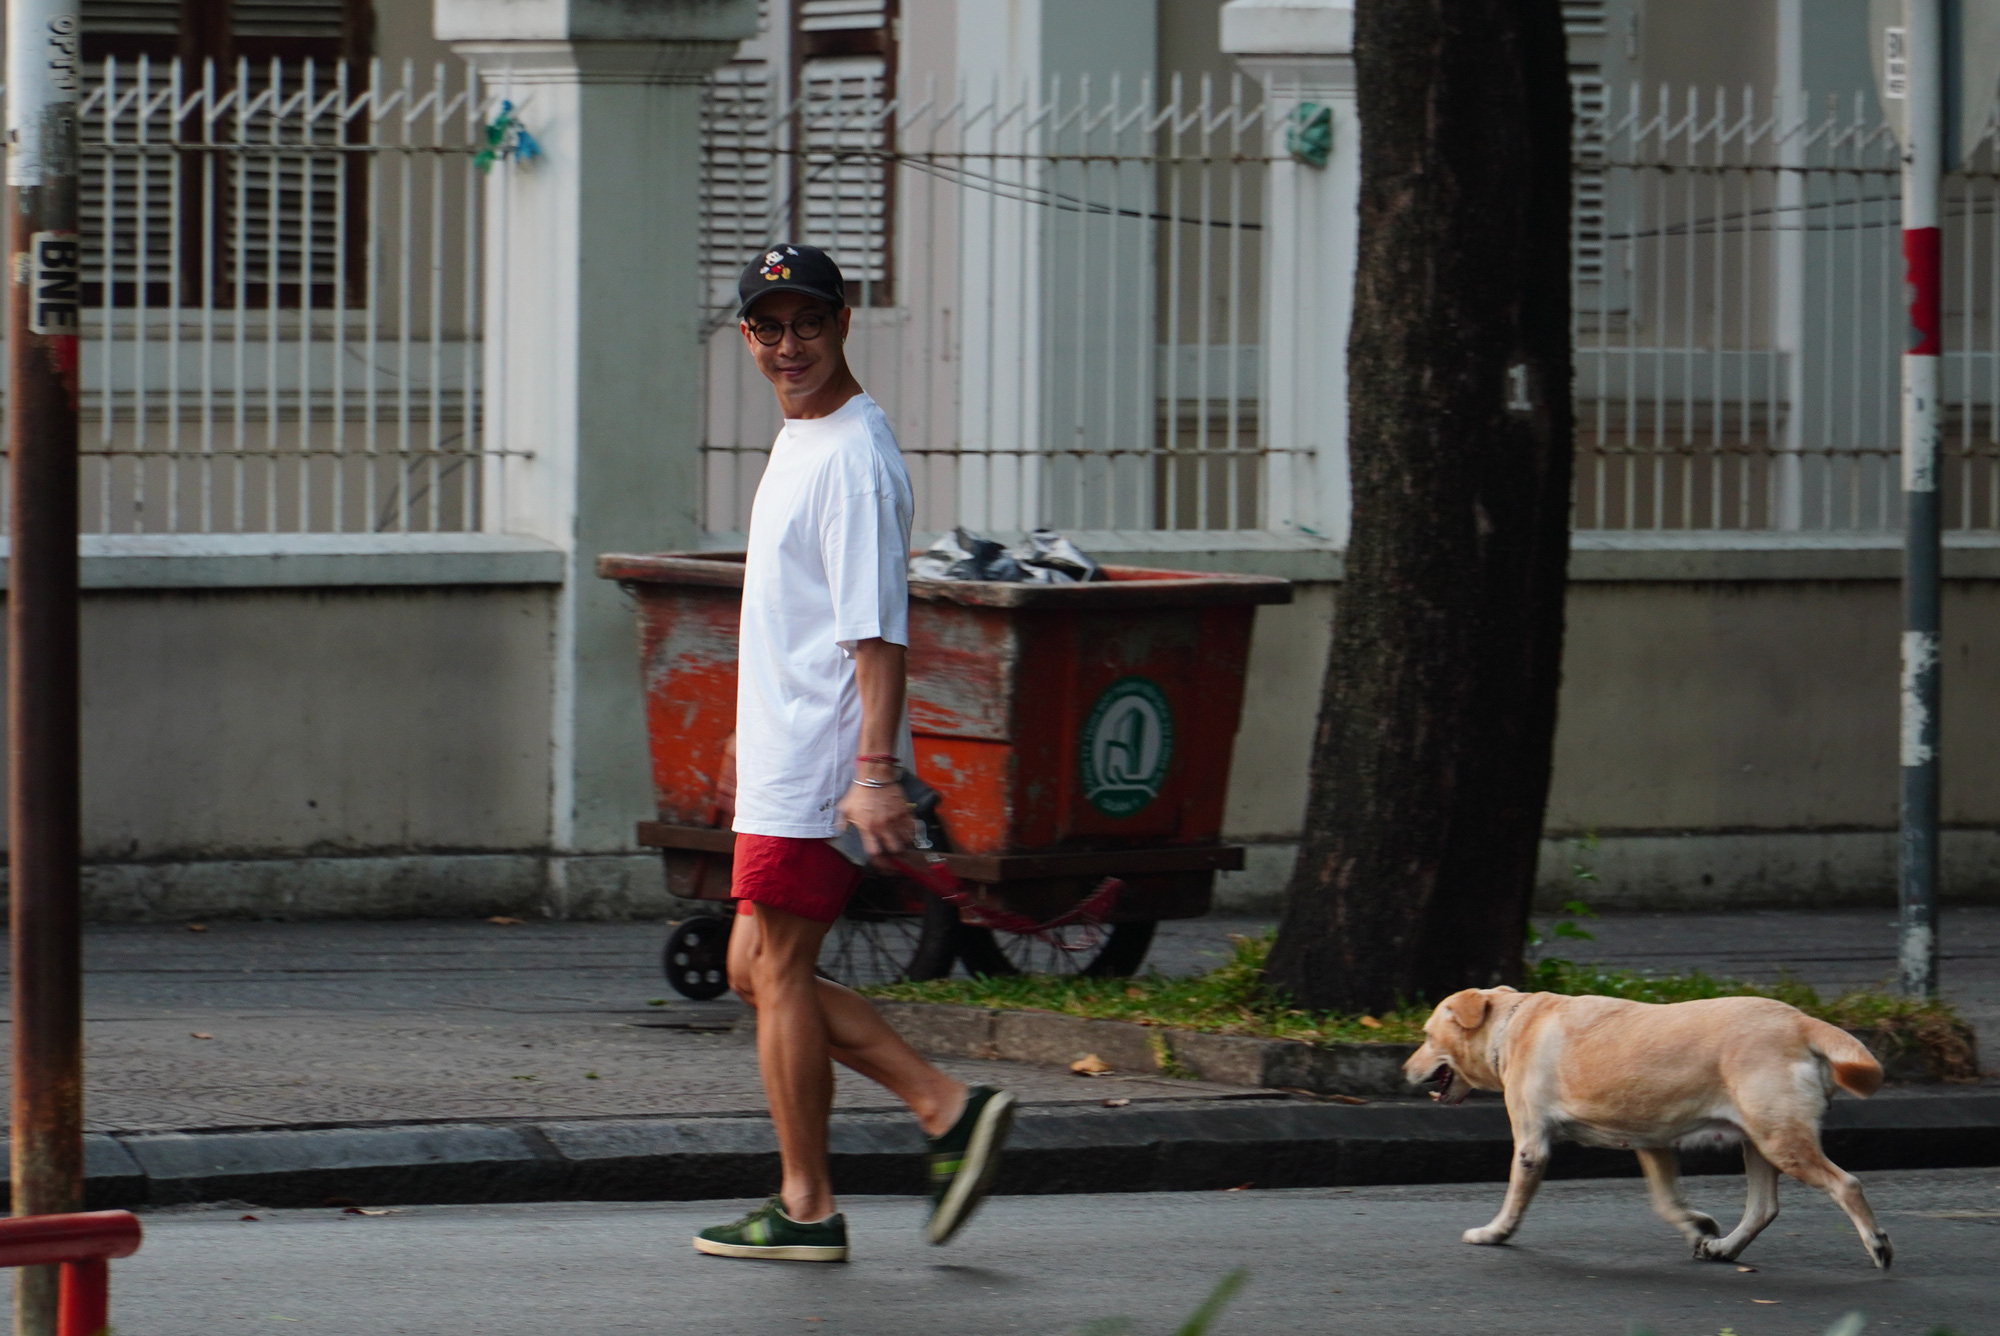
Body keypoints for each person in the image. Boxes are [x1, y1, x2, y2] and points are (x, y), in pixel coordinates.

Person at [693, 244, 1016, 1264]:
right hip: (791, 750)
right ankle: (942, 1105)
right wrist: (750, 729)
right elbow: (797, 613)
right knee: (753, 968)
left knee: (776, 972)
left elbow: (875, 633)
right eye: (768, 328)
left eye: (807, 324)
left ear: (842, 324)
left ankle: (804, 1208)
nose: (789, 346)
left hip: (828, 759)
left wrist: (872, 771)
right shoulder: (805, 436)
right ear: (748, 336)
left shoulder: (853, 457)